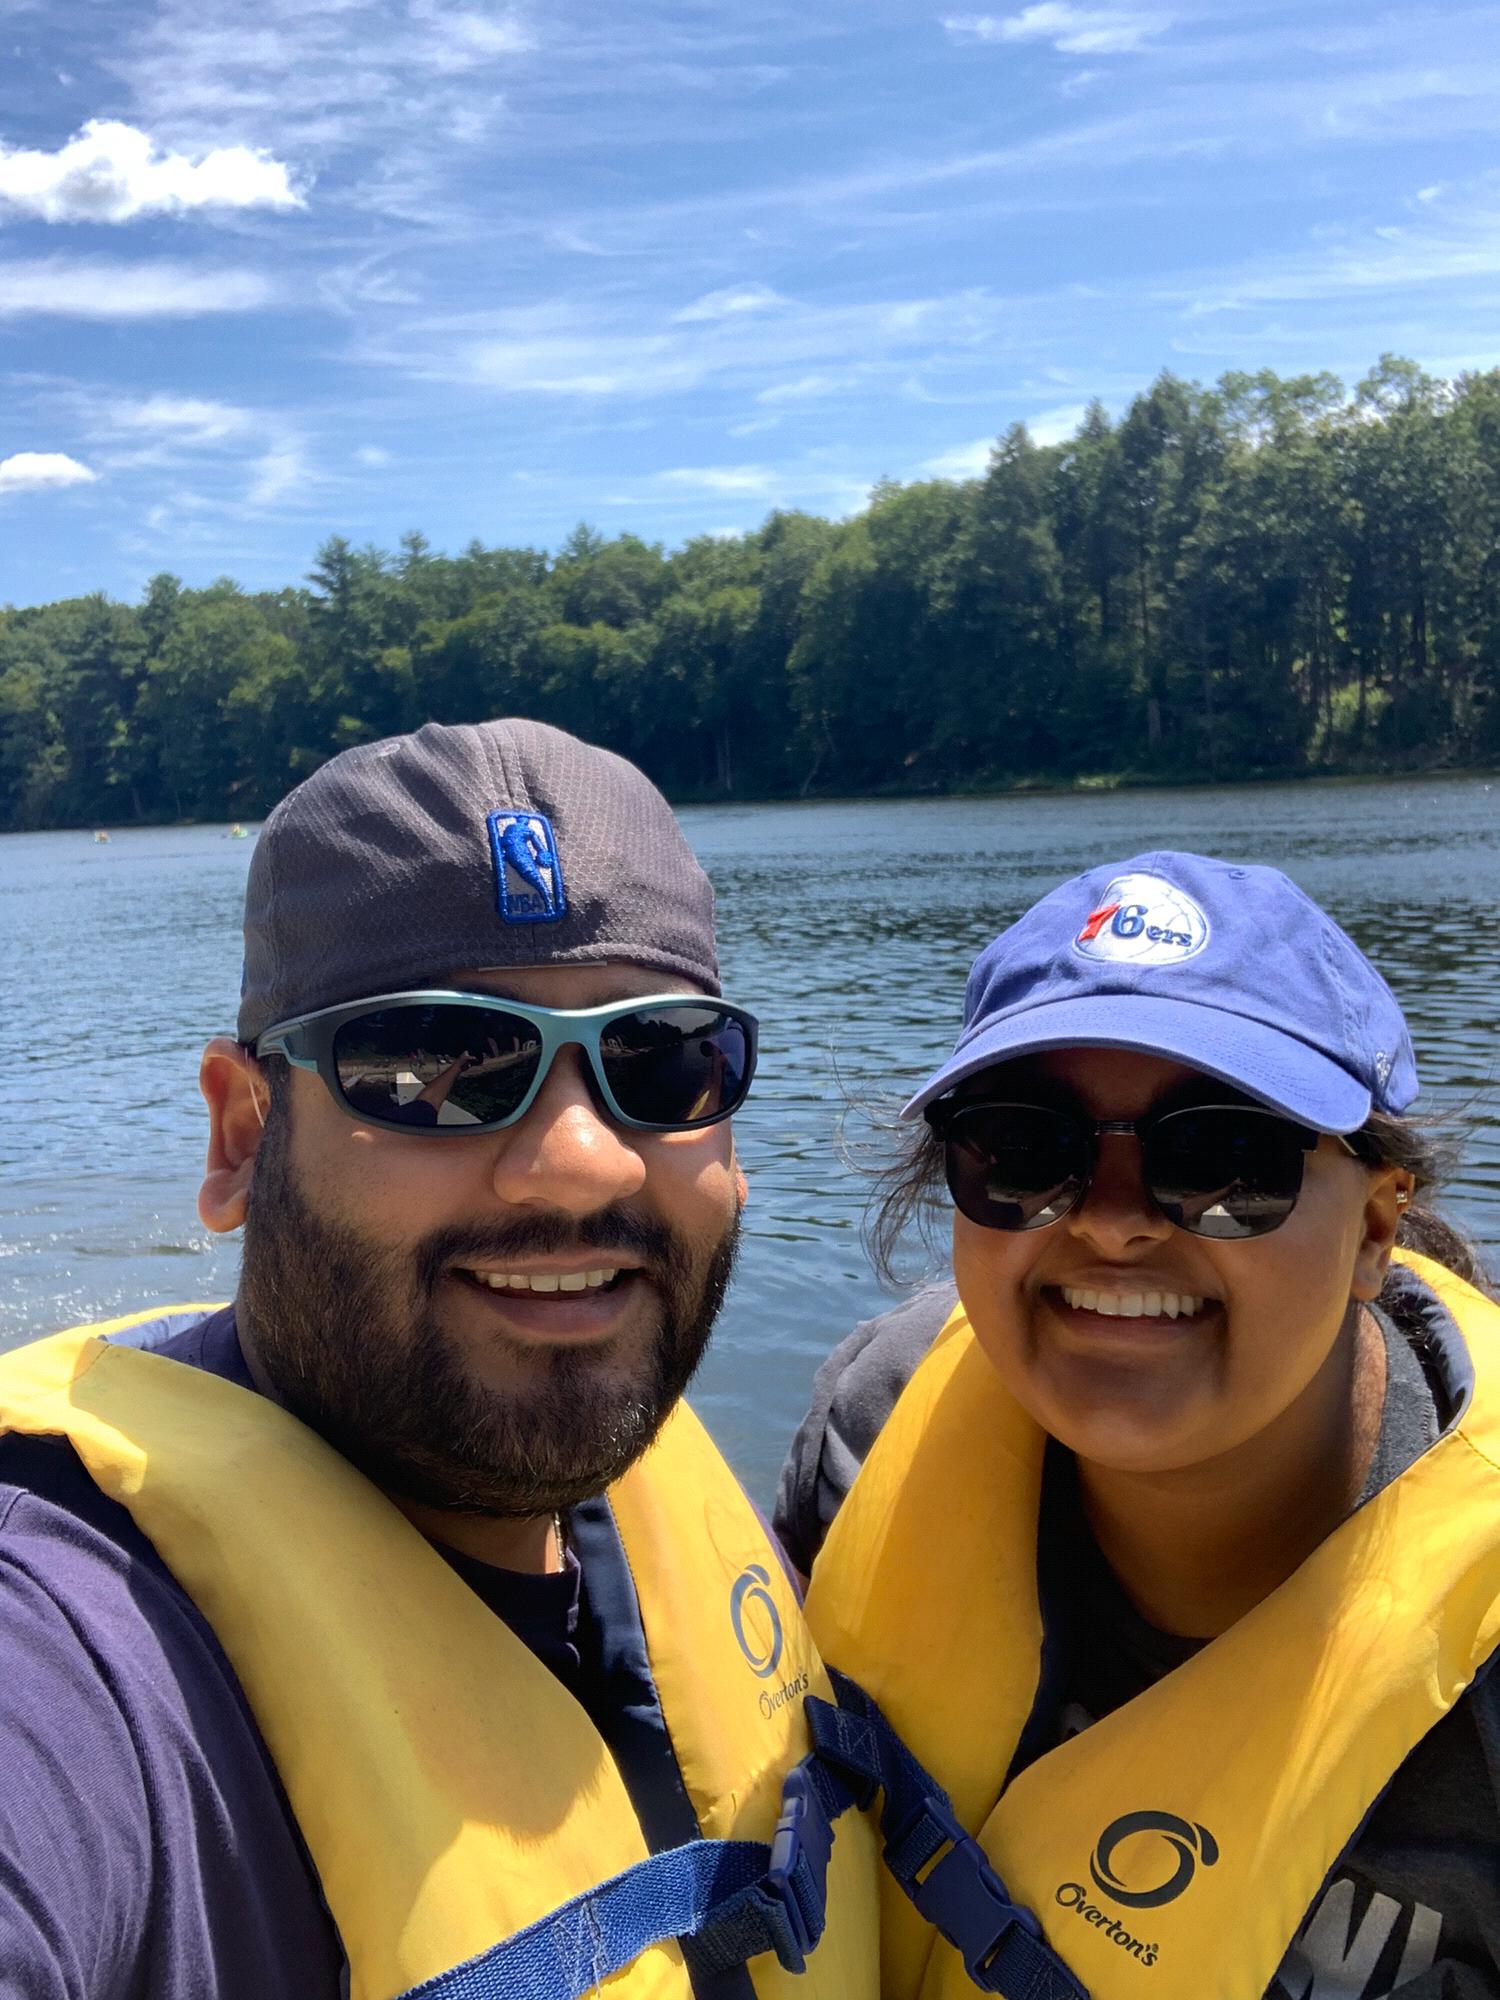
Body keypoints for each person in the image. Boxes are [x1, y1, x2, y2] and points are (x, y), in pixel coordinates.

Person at [0, 719, 879, 2000]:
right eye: (433, 1068)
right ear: (243, 1133)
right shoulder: (71, 1646)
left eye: (662, 1060)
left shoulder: (665, 1507)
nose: (584, 1159)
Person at [779, 852, 1500, 2000]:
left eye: (1224, 1158)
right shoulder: (871, 1426)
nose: (1111, 1225)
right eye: (1027, 1146)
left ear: (1376, 1227)